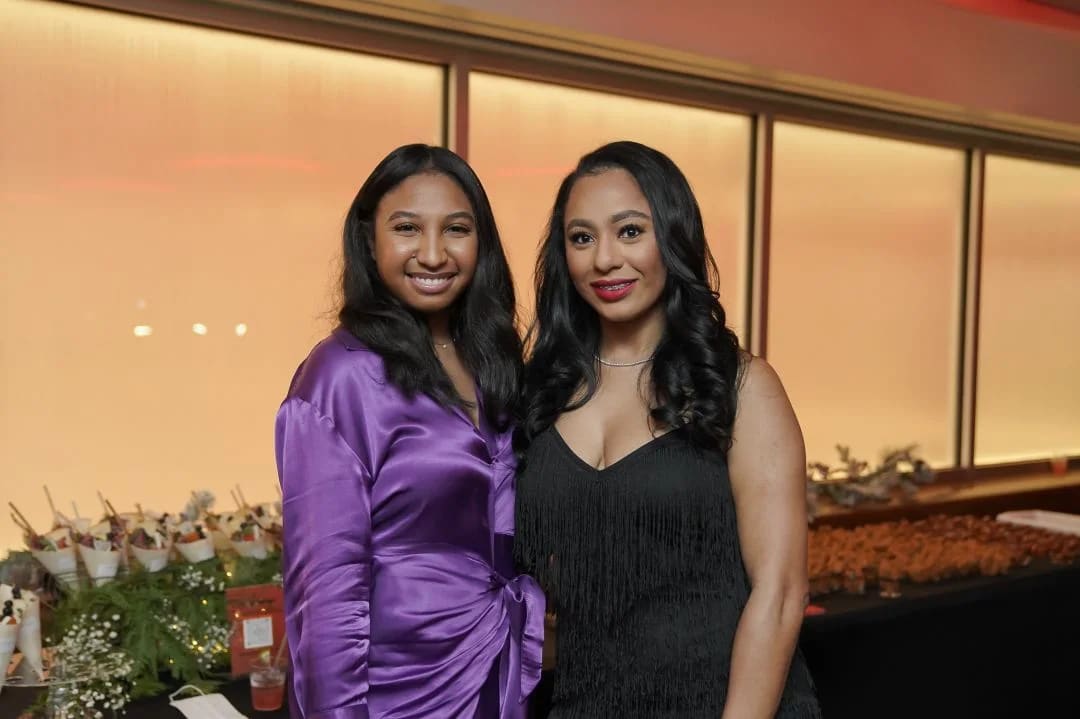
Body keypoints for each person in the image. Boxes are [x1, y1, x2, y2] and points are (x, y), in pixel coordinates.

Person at [515, 141, 820, 718]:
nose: (604, 259)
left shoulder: (742, 386)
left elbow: (780, 594)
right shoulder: (539, 393)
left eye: (630, 231)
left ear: (674, 237)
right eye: (581, 238)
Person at [276, 144, 543, 719]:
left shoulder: (494, 362)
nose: (433, 253)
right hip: (396, 692)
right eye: (406, 228)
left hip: (495, 674)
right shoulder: (338, 377)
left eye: (456, 229)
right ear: (369, 239)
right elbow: (323, 595)